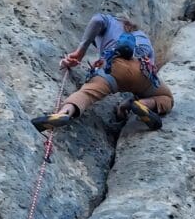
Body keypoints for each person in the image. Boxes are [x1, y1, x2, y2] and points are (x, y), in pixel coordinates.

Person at [32, 13, 174, 132]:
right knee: (166, 97)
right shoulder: (143, 37)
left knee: (86, 94)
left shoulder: (110, 20)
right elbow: (152, 71)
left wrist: (80, 51)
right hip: (141, 70)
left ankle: (64, 113)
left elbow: (97, 20)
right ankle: (144, 104)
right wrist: (127, 104)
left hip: (112, 69)